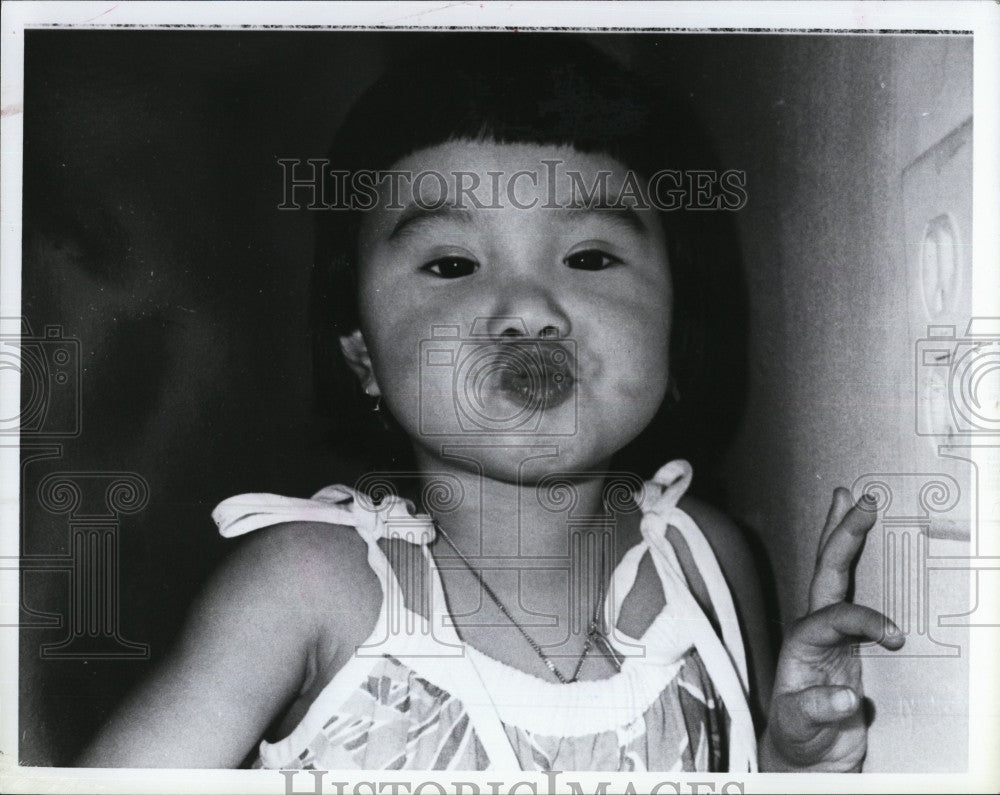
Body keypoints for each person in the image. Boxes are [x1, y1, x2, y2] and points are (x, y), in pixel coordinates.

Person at [78, 35, 904, 773]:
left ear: (674, 326)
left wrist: (796, 762)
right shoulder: (306, 588)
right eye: (450, 265)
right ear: (363, 354)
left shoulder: (704, 563)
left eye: (588, 255)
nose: (529, 309)